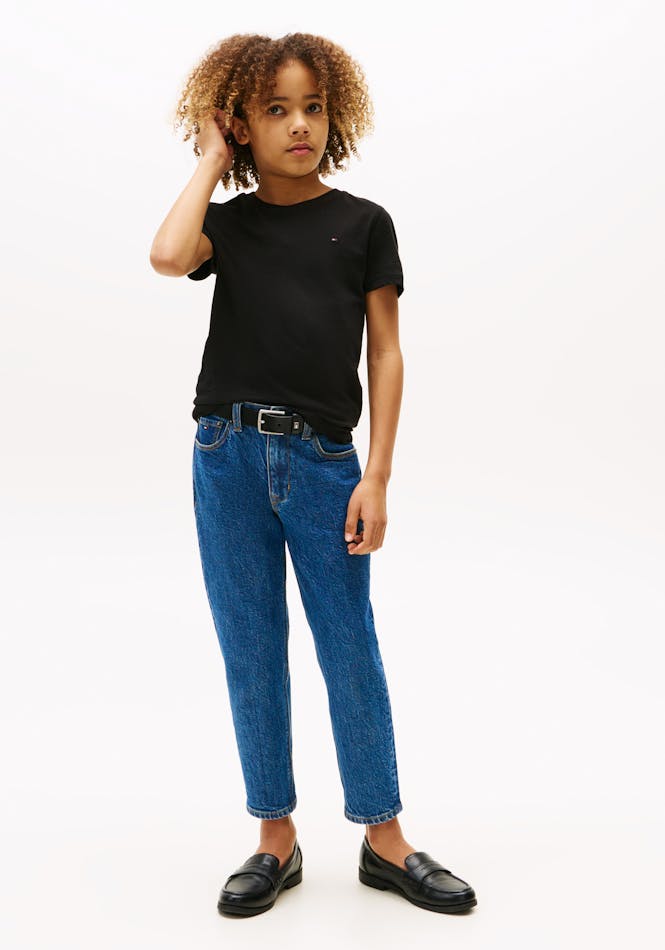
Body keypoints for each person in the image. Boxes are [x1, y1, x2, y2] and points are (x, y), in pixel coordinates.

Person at [150, 31, 477, 918]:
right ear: (241, 124)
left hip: (325, 463)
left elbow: (386, 352)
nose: (298, 124)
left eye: (312, 107)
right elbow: (167, 256)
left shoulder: (363, 223)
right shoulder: (228, 225)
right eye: (274, 109)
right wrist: (210, 159)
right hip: (224, 456)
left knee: (348, 645)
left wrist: (378, 477)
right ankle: (274, 837)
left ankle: (384, 837)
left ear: (334, 117)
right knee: (250, 647)